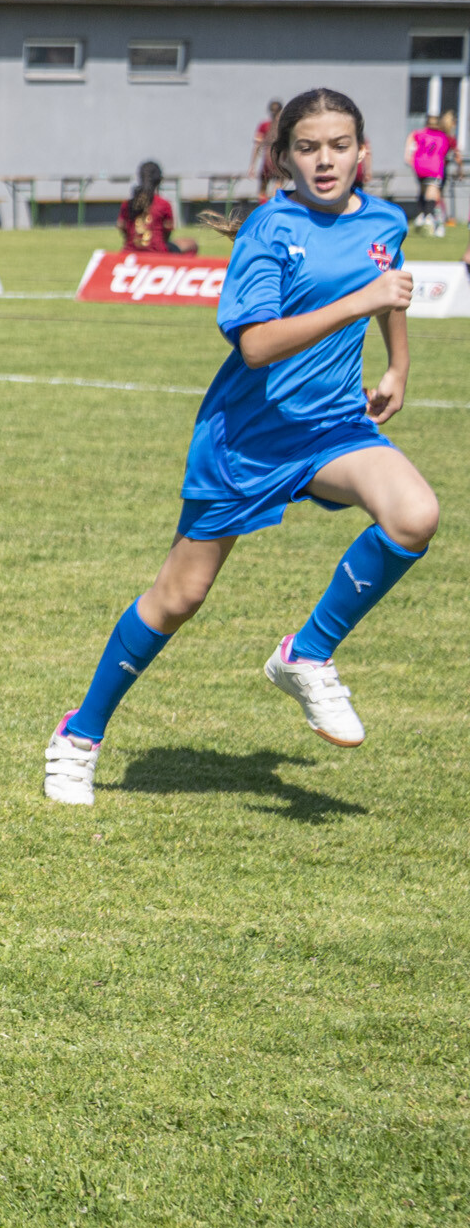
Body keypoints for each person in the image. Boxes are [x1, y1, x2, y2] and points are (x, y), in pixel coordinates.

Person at [45, 89, 436, 807]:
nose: (325, 161)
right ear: (283, 157)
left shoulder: (383, 219)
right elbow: (257, 345)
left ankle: (306, 655)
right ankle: (79, 735)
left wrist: (398, 367)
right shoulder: (268, 229)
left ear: (363, 152)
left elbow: (392, 286)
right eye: (308, 148)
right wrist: (359, 301)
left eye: (340, 146)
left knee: (415, 515)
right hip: (247, 440)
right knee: (179, 597)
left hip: (333, 428)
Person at [118, 162, 196, 254]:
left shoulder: (127, 204)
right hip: (157, 253)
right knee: (191, 244)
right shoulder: (163, 204)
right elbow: (167, 231)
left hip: (130, 252)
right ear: (159, 180)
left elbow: (121, 225)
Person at [403, 113, 456, 236]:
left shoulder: (420, 133)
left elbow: (411, 136)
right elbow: (451, 150)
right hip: (434, 167)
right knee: (433, 193)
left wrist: (407, 154)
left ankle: (421, 215)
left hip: (419, 166)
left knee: (423, 190)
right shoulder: (443, 136)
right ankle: (428, 217)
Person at [252, 97, 284, 199]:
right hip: (280, 161)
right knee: (277, 189)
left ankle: (264, 207)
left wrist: (252, 165)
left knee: (262, 192)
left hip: (268, 161)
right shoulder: (283, 126)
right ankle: (274, 206)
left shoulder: (265, 126)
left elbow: (257, 146)